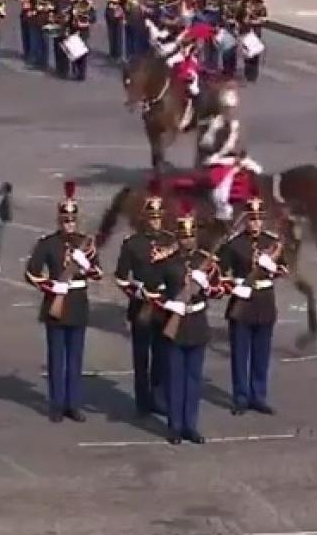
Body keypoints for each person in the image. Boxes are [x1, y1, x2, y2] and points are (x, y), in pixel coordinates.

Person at [25, 182, 103, 423]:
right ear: (59, 220)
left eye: (72, 220)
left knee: (76, 357)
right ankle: (57, 404)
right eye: (65, 219)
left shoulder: (86, 244)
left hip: (78, 302)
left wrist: (87, 265)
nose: (69, 223)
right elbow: (31, 272)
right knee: (56, 357)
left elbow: (98, 273)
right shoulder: (47, 244)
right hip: (55, 302)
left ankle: (73, 404)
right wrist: (52, 286)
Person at [149, 206, 219, 445]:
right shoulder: (167, 263)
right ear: (178, 237)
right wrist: (170, 306)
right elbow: (152, 292)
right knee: (175, 377)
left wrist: (207, 286)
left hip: (197, 323)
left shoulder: (205, 260)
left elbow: (220, 289)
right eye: (184, 236)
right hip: (175, 324)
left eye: (191, 236)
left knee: (193, 379)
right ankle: (175, 426)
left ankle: (191, 425)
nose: (188, 240)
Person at [217, 197, 282, 416]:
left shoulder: (271, 242)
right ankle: (241, 397)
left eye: (259, 219)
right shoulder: (234, 244)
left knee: (261, 353)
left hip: (264, 301)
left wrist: (271, 265)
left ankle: (258, 395)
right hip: (242, 303)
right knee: (240, 353)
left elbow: (284, 269)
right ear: (246, 220)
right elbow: (218, 274)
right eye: (252, 219)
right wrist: (235, 286)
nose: (255, 223)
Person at [113, 184, 172, 417]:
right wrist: (138, 293)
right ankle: (142, 401)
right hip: (141, 307)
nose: (155, 221)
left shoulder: (171, 242)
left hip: (163, 307)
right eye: (151, 217)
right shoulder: (132, 244)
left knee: (161, 355)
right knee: (141, 356)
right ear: (145, 218)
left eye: (158, 217)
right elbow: (120, 276)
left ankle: (159, 397)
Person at [198, 90, 262, 221]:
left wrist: (241, 156)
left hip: (236, 160)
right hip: (217, 161)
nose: (230, 112)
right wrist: (212, 132)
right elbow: (206, 146)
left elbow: (242, 144)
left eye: (232, 108)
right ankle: (223, 216)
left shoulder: (237, 124)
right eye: (227, 108)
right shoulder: (212, 124)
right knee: (221, 193)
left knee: (259, 173)